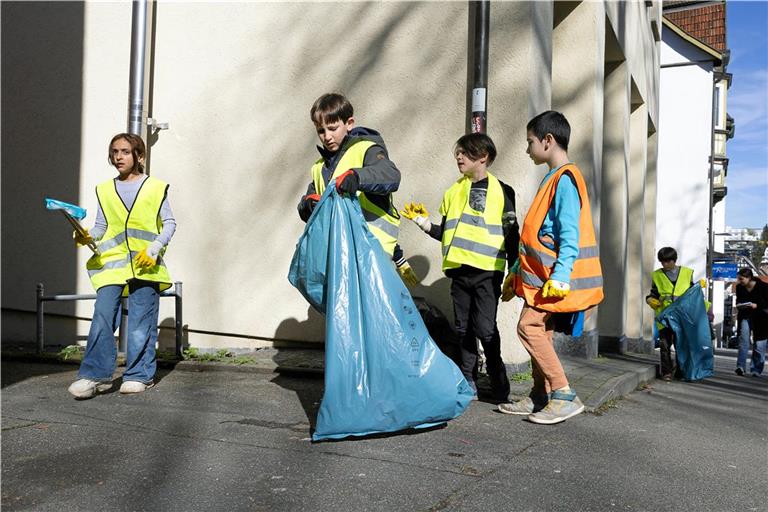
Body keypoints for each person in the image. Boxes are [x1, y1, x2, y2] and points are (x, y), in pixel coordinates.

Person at [498, 111, 603, 425]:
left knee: (528, 328)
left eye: (530, 142)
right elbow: (539, 235)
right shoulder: (554, 178)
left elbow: (570, 236)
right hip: (541, 279)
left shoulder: (565, 180)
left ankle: (563, 393)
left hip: (553, 280)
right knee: (539, 330)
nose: (527, 149)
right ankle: (541, 394)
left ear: (547, 140)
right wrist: (516, 272)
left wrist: (559, 276)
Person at [401, 132, 519, 402]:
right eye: (458, 152)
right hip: (459, 272)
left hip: (488, 272)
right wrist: (423, 223)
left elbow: (512, 233)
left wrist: (515, 270)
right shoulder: (453, 191)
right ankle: (468, 381)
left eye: (465, 152)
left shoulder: (503, 191)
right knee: (464, 328)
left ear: (483, 157)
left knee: (485, 329)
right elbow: (446, 232)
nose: (459, 157)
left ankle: (498, 381)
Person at [68, 133, 175, 399]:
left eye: (125, 152)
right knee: (102, 315)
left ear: (139, 156)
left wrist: (154, 247)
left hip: (146, 263)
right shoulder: (104, 189)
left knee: (141, 321)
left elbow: (170, 223)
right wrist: (87, 235)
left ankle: (139, 375)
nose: (118, 157)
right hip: (112, 267)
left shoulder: (155, 187)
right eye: (115, 151)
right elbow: (103, 227)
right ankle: (93, 375)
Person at [296, 92, 418, 287]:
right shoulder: (319, 168)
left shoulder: (366, 150)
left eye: (333, 128)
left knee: (374, 316)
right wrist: (308, 204)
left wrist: (357, 176)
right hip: (339, 256)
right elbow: (305, 205)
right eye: (321, 131)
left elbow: (390, 175)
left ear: (349, 123)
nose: (327, 137)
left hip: (372, 253)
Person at [645, 247, 700, 381]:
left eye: (667, 262)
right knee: (664, 344)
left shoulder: (687, 273)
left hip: (682, 316)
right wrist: (650, 299)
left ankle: (681, 371)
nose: (664, 265)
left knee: (680, 344)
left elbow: (692, 292)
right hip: (664, 316)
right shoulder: (657, 275)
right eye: (662, 262)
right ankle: (667, 372)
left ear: (674, 260)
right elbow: (654, 293)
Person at [733, 268, 768, 377]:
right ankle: (740, 367)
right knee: (743, 341)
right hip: (745, 315)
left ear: (749, 278)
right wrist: (739, 305)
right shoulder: (740, 288)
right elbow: (739, 300)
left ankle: (756, 369)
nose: (739, 281)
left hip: (761, 317)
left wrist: (756, 305)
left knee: (759, 344)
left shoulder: (763, 287)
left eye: (741, 279)